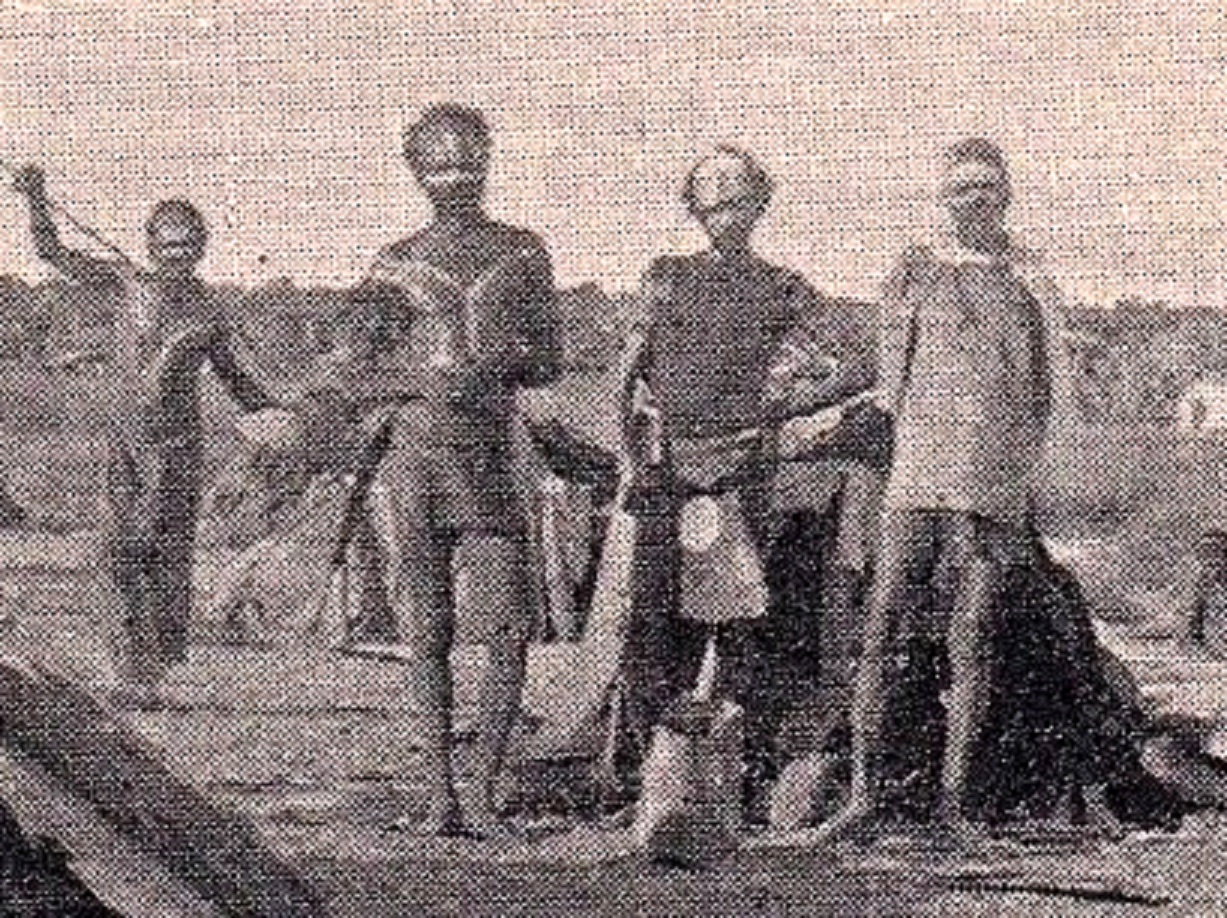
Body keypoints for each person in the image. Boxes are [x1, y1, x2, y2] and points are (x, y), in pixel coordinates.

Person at [815, 138, 1070, 844]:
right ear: (942, 199)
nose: (974, 200)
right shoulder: (913, 271)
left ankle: (956, 807)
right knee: (882, 627)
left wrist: (1020, 479)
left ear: (1006, 196)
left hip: (990, 484)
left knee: (973, 637)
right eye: (960, 189)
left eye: (987, 187)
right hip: (916, 481)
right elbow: (889, 382)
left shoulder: (1030, 278)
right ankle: (863, 798)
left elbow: (1048, 390)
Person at [617, 147, 869, 816]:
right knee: (653, 622)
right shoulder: (666, 277)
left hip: (741, 470)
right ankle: (652, 778)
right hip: (670, 467)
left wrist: (775, 410)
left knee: (736, 624)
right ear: (693, 208)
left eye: (737, 196)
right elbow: (626, 374)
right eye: (710, 198)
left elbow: (855, 364)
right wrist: (633, 457)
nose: (723, 210)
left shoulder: (782, 286)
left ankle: (730, 777)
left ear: (760, 203)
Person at [350, 104, 562, 836]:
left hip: (492, 450)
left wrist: (500, 362)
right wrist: (419, 382)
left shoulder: (524, 252)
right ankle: (439, 794)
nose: (456, 176)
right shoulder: (392, 262)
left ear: (489, 159)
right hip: (416, 456)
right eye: (439, 163)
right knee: (429, 626)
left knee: (508, 625)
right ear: (415, 171)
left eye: (468, 159)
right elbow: (357, 375)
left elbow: (550, 359)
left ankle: (486, 789)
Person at [13, 166, 275, 703]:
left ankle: (148, 677)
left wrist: (284, 413)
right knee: (114, 554)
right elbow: (53, 255)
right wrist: (37, 199)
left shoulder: (208, 311)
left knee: (161, 556)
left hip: (177, 449)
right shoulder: (123, 283)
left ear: (199, 249)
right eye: (166, 244)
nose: (176, 254)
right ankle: (128, 670)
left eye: (186, 246)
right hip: (124, 444)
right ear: (150, 245)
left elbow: (237, 380)